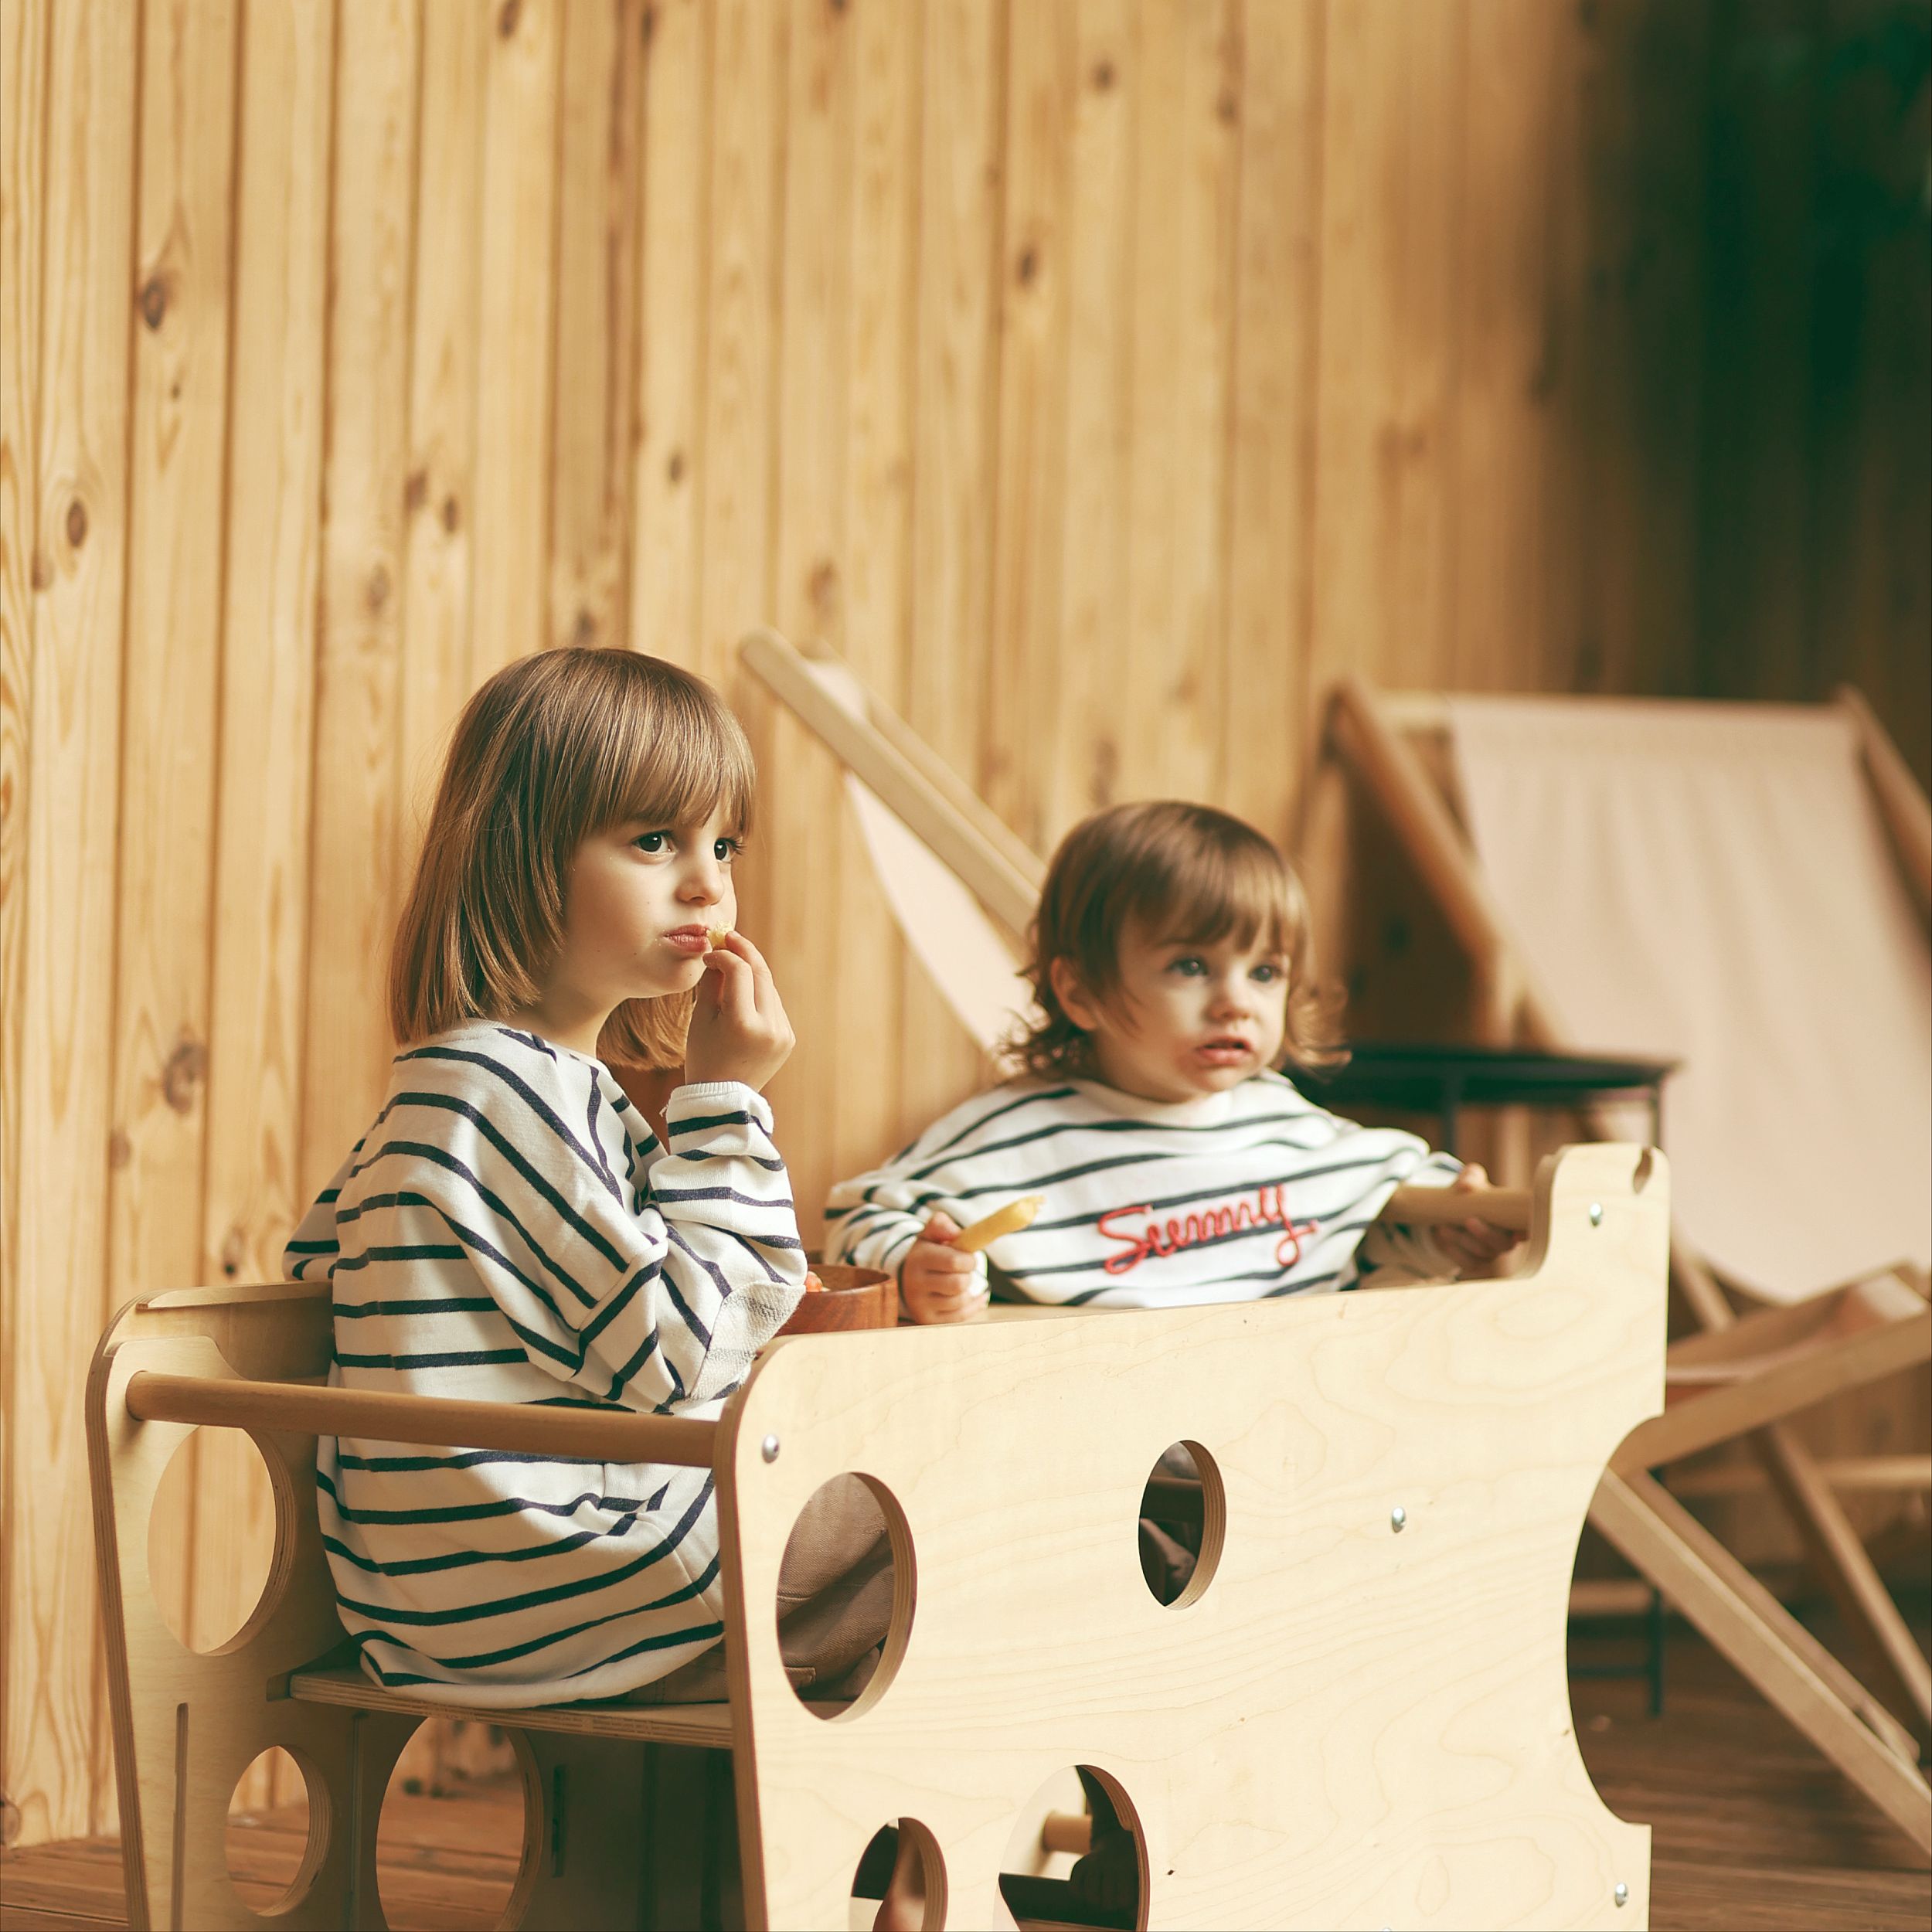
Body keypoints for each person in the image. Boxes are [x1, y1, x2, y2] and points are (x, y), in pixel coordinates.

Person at [283, 648, 893, 1723]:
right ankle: (921, 1878)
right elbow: (686, 1356)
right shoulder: (502, 1091)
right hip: (574, 1593)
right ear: (519, 858)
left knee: (952, 1507)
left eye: (723, 843)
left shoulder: (475, 1087)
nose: (708, 883)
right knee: (980, 1507)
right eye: (655, 841)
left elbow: (318, 1268)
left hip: (480, 1598)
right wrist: (722, 1102)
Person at [825, 798, 1522, 1321]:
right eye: (1192, 966)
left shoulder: (1293, 1131)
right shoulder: (1015, 1136)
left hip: (1295, 1457)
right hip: (1097, 1469)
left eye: (1265, 973)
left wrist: (1453, 1234)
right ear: (1081, 990)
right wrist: (918, 1268)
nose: (1235, 1002)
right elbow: (857, 1218)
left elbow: (1368, 1239)